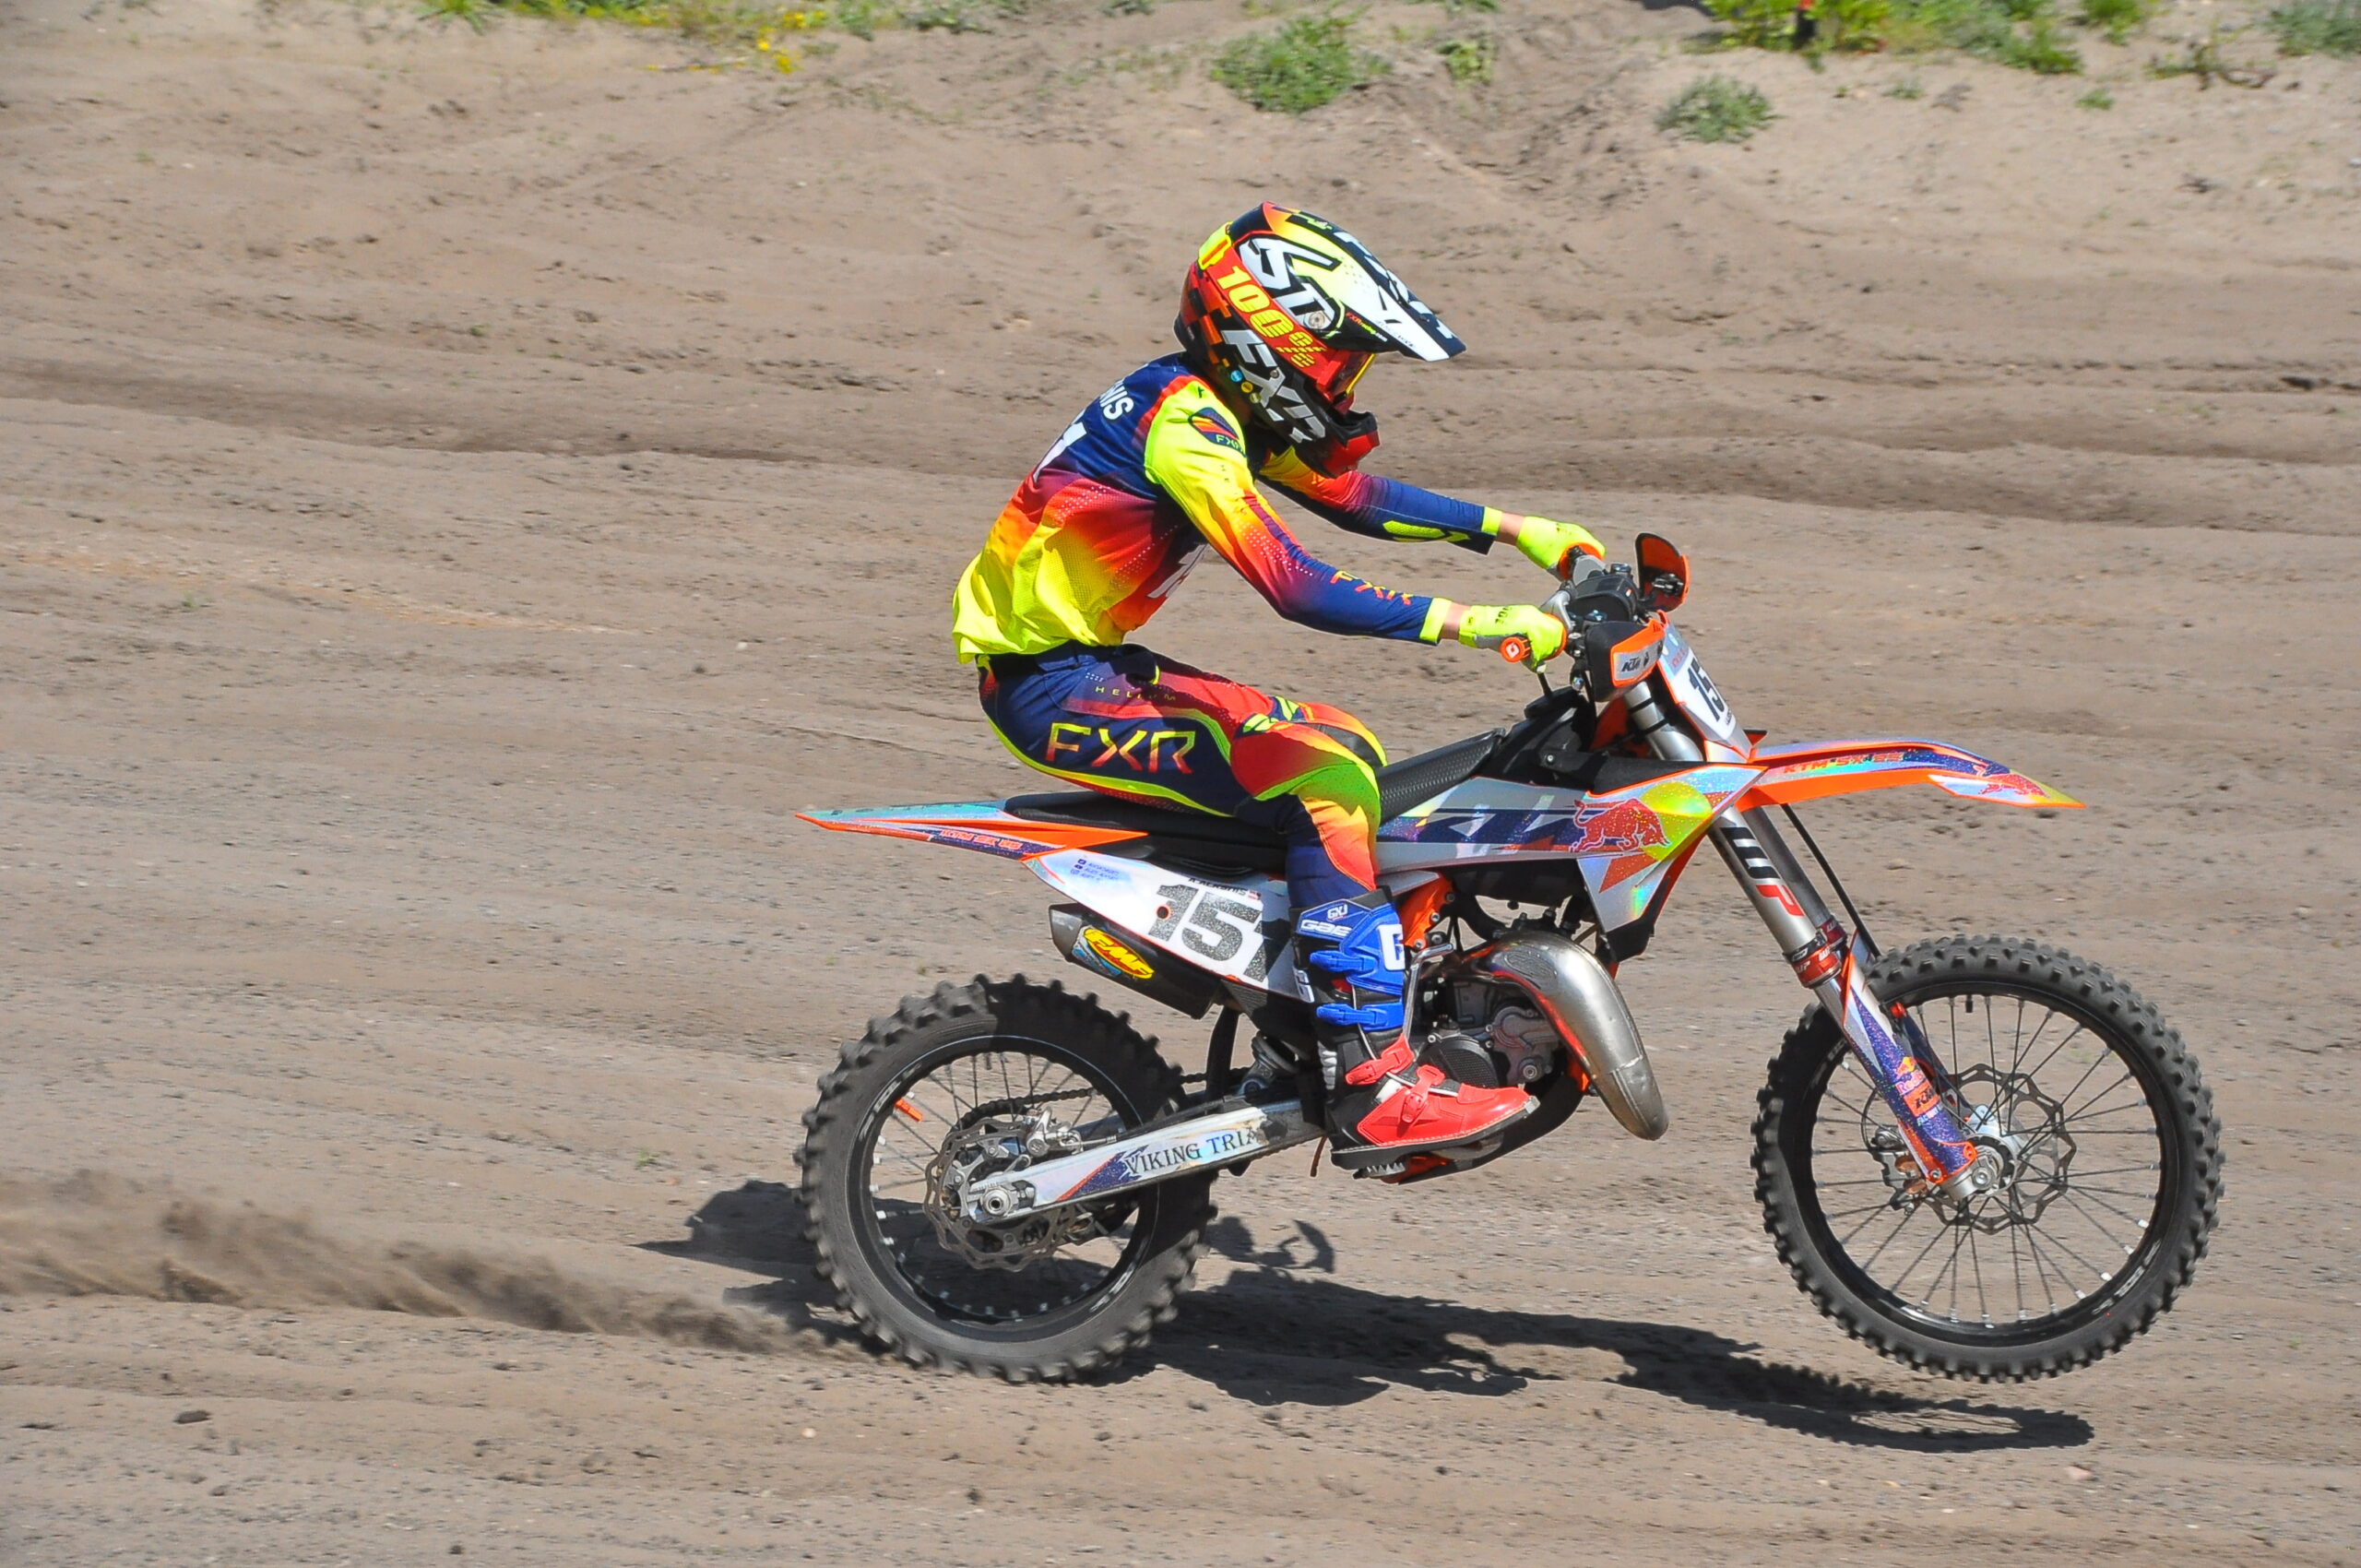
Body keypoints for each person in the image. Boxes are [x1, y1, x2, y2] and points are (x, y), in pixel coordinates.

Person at [951, 205, 1604, 1171]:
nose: (1345, 386)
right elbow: (1297, 585)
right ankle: (1372, 1078)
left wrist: (1516, 529)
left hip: (1084, 665)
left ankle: (1304, 1005)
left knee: (1351, 748)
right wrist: (1479, 623)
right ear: (1270, 342)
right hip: (1053, 688)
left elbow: (1352, 496)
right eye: (1340, 362)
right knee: (1327, 782)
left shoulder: (1210, 402)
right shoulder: (1189, 429)